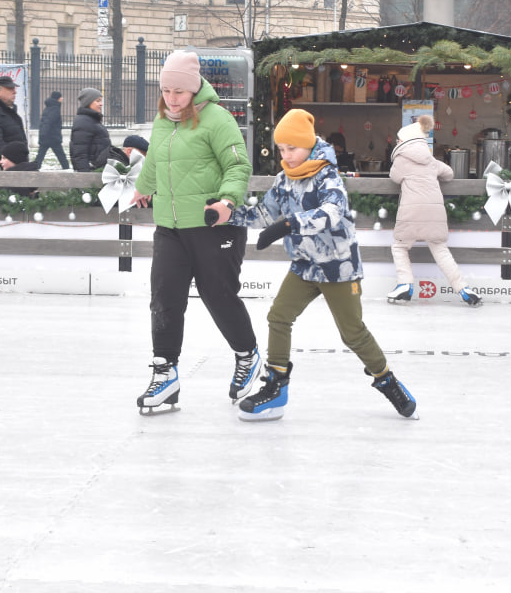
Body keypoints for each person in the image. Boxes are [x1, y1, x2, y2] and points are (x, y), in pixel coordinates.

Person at [231, 108, 418, 422]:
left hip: (337, 266)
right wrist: (225, 217)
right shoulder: (284, 180)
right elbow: (262, 213)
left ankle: (387, 381)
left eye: (292, 148)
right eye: (281, 149)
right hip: (305, 265)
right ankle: (276, 387)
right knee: (278, 317)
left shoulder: (328, 175)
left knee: (353, 333)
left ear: (307, 144)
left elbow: (332, 212)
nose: (286, 155)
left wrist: (289, 225)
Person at [130, 50, 260, 414]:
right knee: (165, 298)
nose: (171, 98)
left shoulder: (217, 118)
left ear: (195, 89)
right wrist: (142, 186)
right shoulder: (162, 121)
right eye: (166, 90)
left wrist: (226, 202)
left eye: (179, 92)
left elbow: (237, 166)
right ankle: (165, 371)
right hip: (170, 227)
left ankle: (247, 356)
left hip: (212, 222)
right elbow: (155, 161)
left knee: (218, 295)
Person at [386, 115, 482, 306]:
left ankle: (405, 284)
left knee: (399, 246)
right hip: (435, 214)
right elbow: (449, 174)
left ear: (403, 142)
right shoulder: (431, 162)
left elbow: (394, 177)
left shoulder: (400, 161)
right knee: (440, 250)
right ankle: (463, 288)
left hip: (411, 213)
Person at [70, 87, 122, 171]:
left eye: (101, 101)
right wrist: (86, 177)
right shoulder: (83, 122)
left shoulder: (92, 120)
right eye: (98, 101)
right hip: (93, 172)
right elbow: (80, 154)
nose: (101, 104)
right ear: (88, 102)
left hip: (99, 170)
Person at [34, 91, 69, 169]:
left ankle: (35, 167)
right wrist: (45, 133)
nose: (62, 98)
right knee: (61, 156)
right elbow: (49, 122)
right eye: (61, 97)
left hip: (47, 136)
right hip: (52, 137)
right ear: (57, 98)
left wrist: (43, 134)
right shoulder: (55, 108)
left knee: (40, 156)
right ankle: (67, 168)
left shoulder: (49, 107)